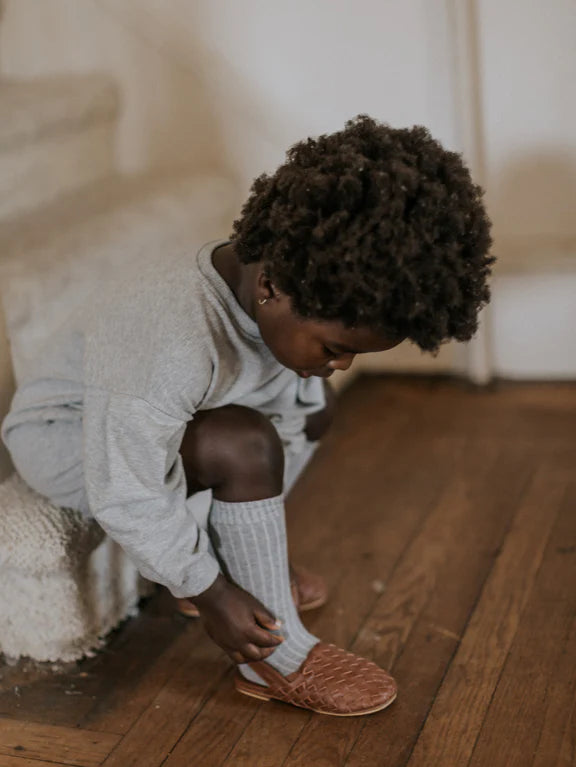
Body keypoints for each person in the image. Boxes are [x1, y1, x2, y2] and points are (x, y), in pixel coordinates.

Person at [1, 116, 493, 716]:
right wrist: (211, 593)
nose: (341, 363)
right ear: (274, 286)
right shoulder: (169, 336)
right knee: (244, 444)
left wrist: (237, 555)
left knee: (311, 408)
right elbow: (125, 491)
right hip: (68, 436)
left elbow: (284, 393)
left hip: (163, 419)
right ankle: (273, 660)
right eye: (335, 346)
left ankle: (240, 562)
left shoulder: (277, 293)